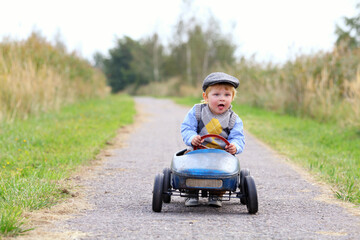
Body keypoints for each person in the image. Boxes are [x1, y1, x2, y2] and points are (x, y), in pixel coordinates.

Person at [181, 72, 245, 207]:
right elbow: (187, 128)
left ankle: (217, 194)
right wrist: (193, 138)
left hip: (221, 155)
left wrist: (234, 146)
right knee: (187, 164)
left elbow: (238, 138)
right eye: (216, 95)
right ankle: (191, 192)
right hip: (198, 151)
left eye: (227, 95)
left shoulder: (234, 119)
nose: (222, 99)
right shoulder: (197, 111)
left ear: (232, 97)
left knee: (224, 170)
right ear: (206, 96)